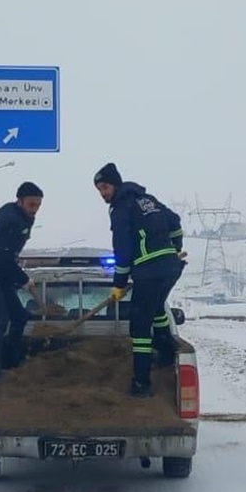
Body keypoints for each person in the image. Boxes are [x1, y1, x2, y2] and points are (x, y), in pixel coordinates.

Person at [93, 162, 185, 397]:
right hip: (171, 268)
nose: (103, 193)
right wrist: (175, 248)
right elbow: (174, 221)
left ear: (115, 184)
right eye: (99, 190)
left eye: (104, 187)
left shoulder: (120, 207)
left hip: (149, 270)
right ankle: (165, 352)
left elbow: (122, 249)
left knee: (140, 325)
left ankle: (142, 383)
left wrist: (119, 284)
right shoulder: (148, 200)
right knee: (156, 309)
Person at [0, 181, 43, 378]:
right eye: (31, 204)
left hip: (1, 275)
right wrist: (24, 280)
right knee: (1, 319)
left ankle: (13, 361)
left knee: (20, 317)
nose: (35, 210)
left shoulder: (17, 216)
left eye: (38, 205)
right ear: (19, 201)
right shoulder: (9, 220)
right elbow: (3, 257)